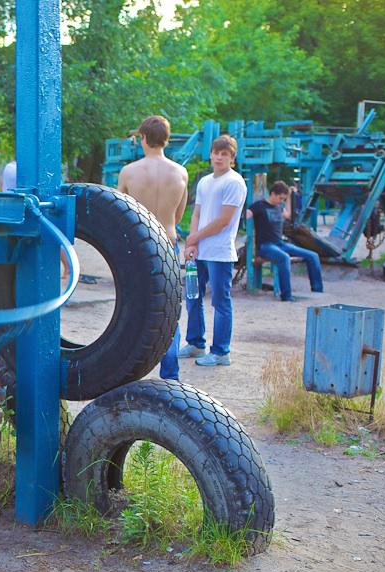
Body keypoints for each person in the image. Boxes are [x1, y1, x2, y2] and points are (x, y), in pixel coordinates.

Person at [118, 115, 188, 381]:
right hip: (168, 243)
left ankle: (129, 373)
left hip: (139, 245)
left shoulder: (130, 171)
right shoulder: (180, 172)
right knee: (170, 308)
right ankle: (170, 374)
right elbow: (179, 216)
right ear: (166, 140)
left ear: (143, 138)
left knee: (134, 307)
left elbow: (120, 212)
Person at [179, 135, 247, 367]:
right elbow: (197, 213)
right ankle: (196, 344)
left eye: (224, 154)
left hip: (220, 253)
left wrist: (195, 237)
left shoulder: (234, 182)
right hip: (200, 251)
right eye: (216, 153)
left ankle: (220, 352)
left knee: (220, 301)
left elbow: (224, 220)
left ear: (232, 158)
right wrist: (192, 243)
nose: (219, 157)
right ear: (210, 154)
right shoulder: (205, 181)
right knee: (192, 297)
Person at [249, 181, 322, 302]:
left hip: (279, 243)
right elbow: (245, 215)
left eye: (283, 198)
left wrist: (289, 197)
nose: (281, 201)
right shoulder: (259, 206)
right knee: (284, 258)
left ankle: (317, 290)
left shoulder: (279, 206)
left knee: (313, 256)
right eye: (280, 198)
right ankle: (286, 296)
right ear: (272, 194)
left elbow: (287, 215)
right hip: (265, 246)